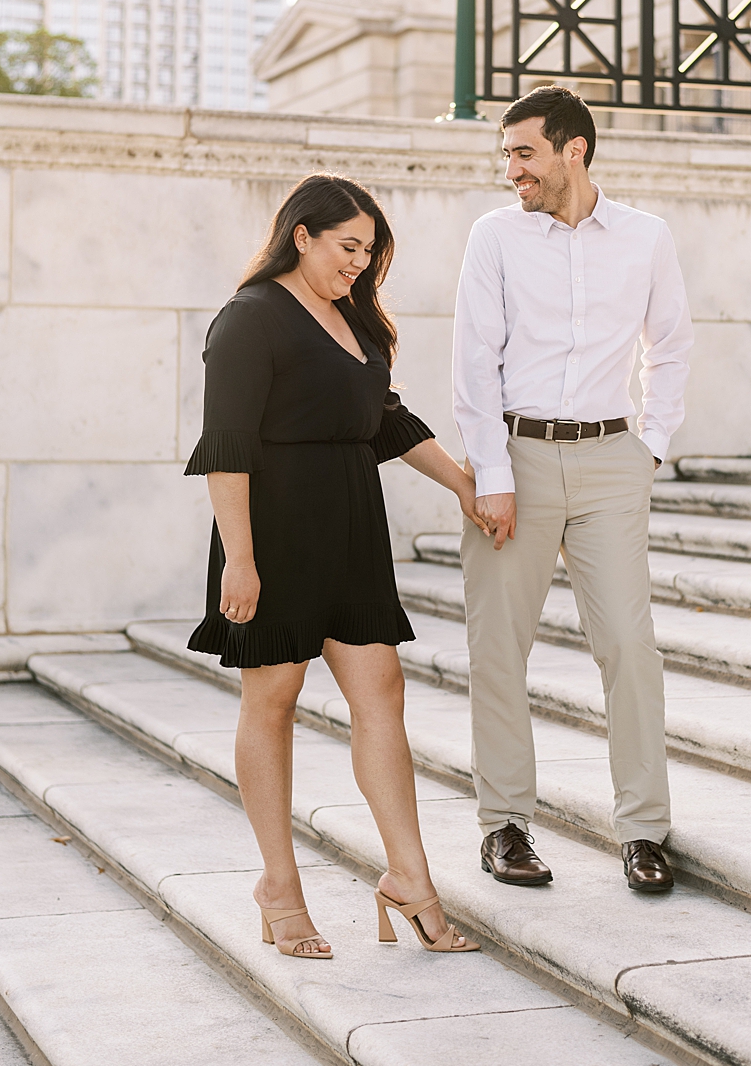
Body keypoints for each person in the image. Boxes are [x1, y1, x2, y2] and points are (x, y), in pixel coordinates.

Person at [186, 174, 486, 960]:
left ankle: (410, 880)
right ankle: (278, 886)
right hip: (273, 528)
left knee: (382, 690)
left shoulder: (357, 320)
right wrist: (240, 559)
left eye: (370, 251)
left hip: (352, 525)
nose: (359, 264)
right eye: (348, 247)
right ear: (302, 236)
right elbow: (226, 446)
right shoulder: (250, 320)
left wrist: (462, 483)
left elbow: (384, 417)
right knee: (275, 697)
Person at [453, 84, 691, 894]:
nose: (511, 167)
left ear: (572, 150)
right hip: (515, 459)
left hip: (611, 463)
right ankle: (506, 826)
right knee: (498, 650)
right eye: (508, 153)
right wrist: (490, 474)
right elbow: (474, 364)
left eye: (524, 152)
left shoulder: (645, 238)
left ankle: (645, 831)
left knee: (628, 644)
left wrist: (649, 447)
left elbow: (674, 345)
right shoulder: (494, 238)